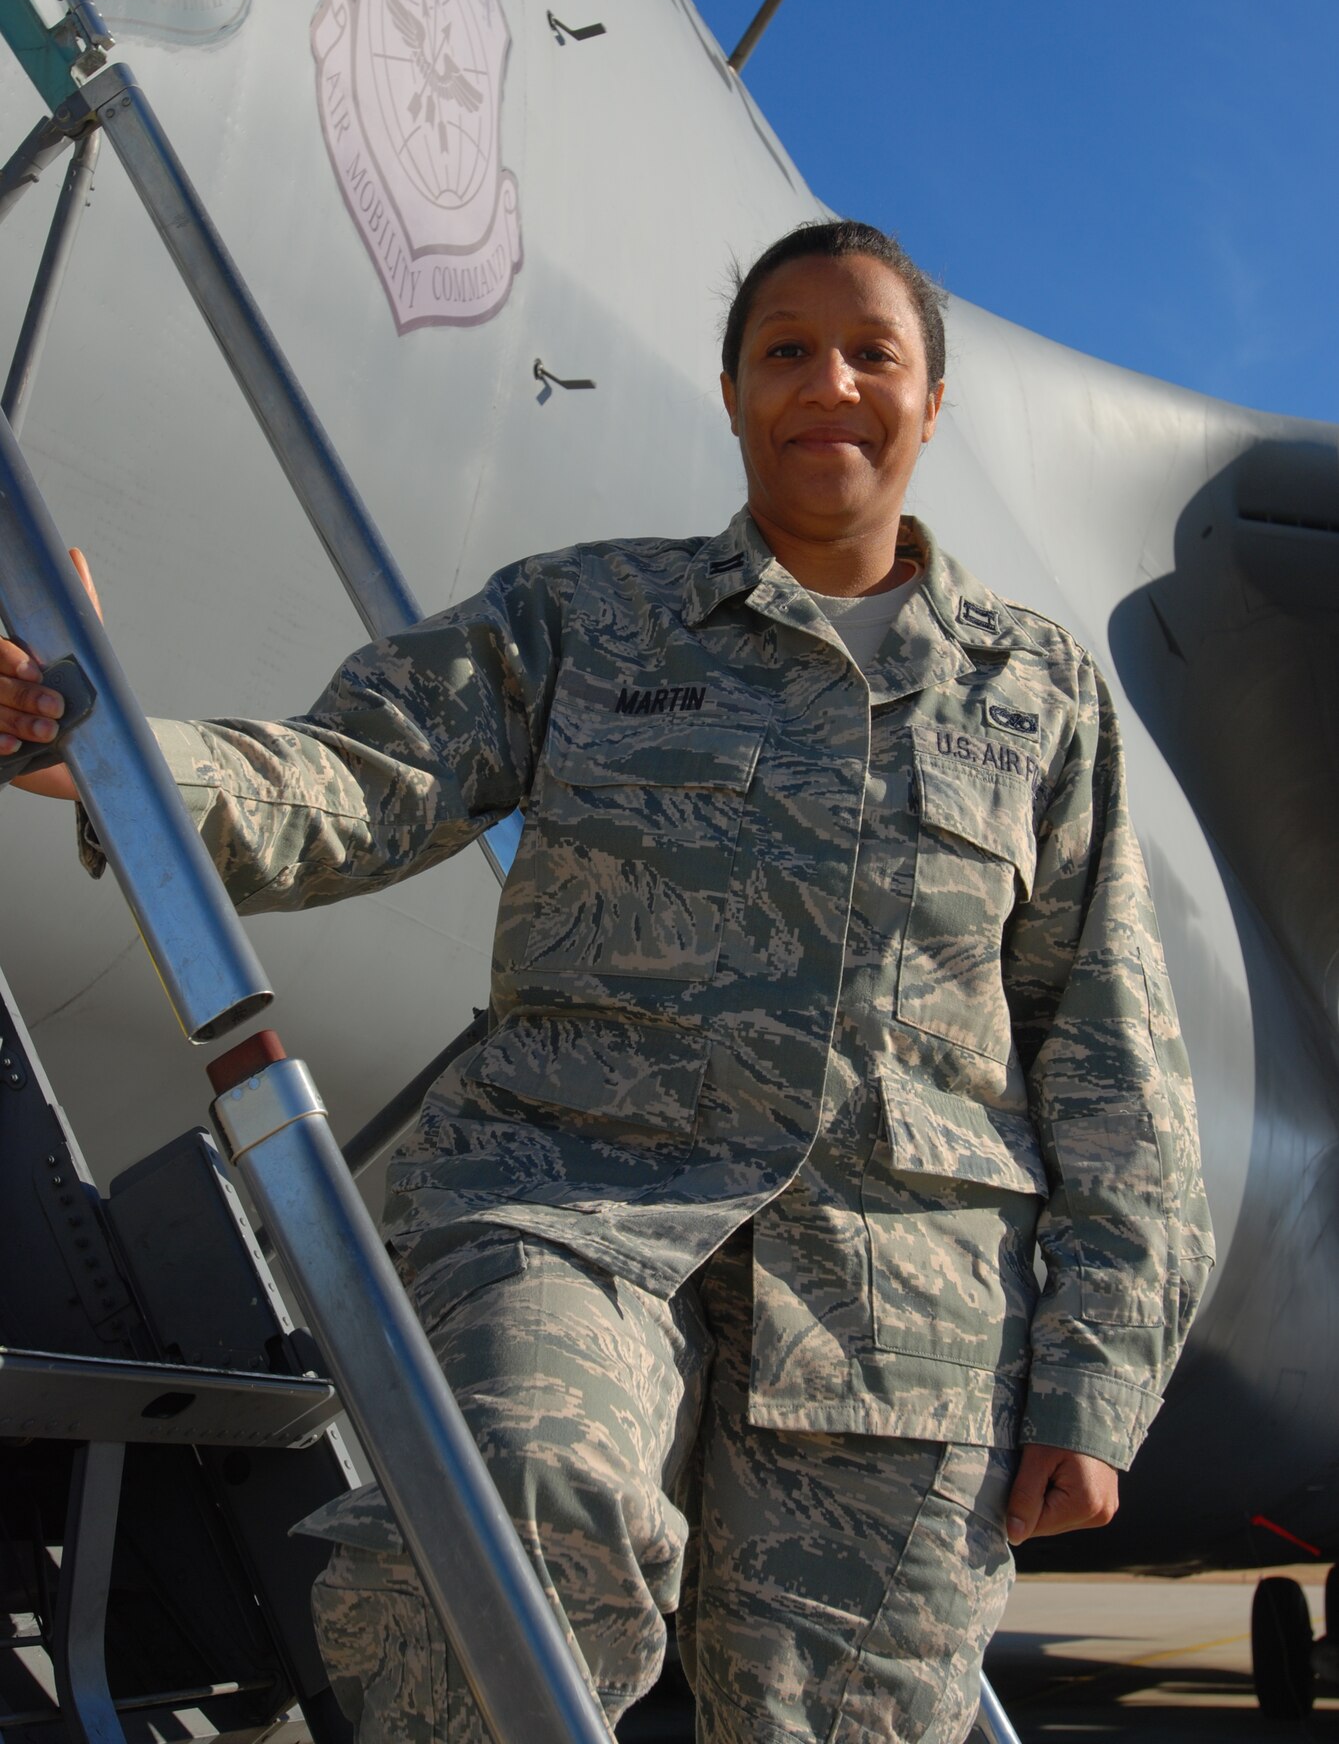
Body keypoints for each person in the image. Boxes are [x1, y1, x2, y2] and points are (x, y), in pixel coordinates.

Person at [0, 221, 1212, 1744]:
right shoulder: (587, 616)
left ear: (930, 402)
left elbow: (1107, 1054)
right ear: (730, 392)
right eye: (785, 349)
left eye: (870, 353)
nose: (826, 381)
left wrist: (1095, 1385)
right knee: (519, 1508)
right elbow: (357, 777)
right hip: (571, 1207)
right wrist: (98, 754)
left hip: (899, 1320)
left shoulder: (1033, 694)